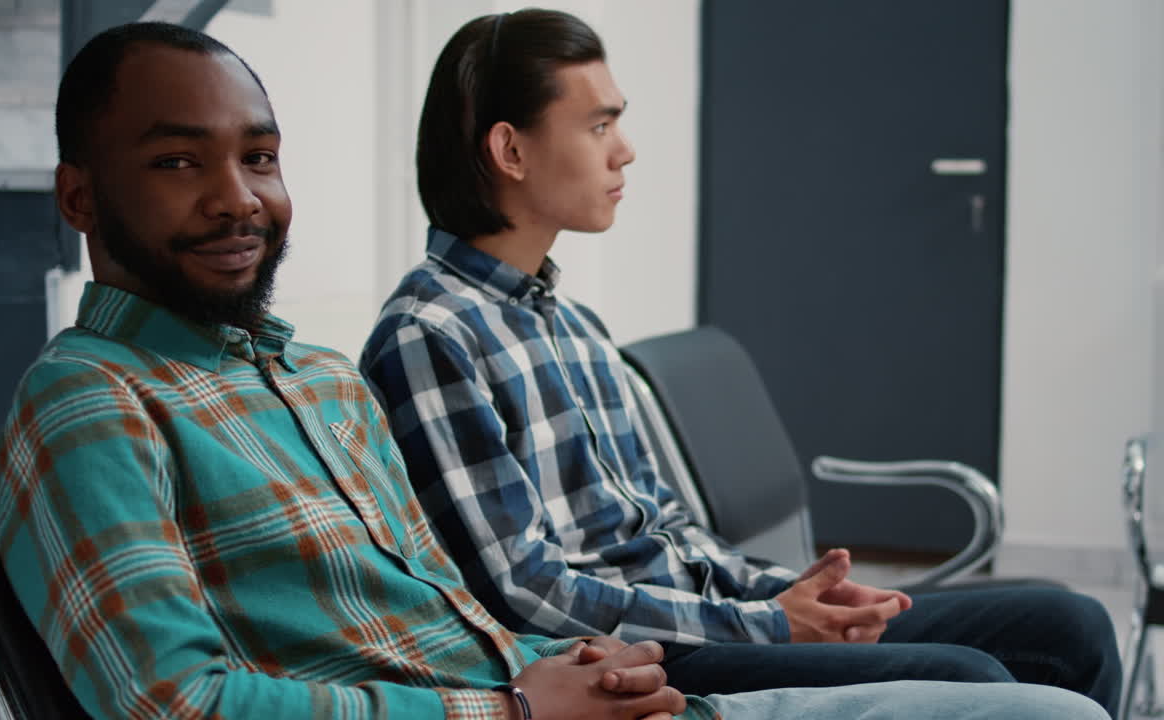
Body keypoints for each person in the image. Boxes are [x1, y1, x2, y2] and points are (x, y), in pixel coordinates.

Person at [0, 17, 1114, 720]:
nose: (236, 197)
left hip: (577, 680)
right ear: (80, 198)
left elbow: (464, 610)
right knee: (1000, 698)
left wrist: (653, 644)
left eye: (260, 159)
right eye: (179, 163)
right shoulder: (92, 401)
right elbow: (175, 702)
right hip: (535, 697)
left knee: (1048, 649)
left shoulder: (319, 378)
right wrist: (531, 700)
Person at [358, 8, 1123, 716]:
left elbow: (664, 526)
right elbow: (525, 592)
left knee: (1071, 623)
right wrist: (764, 624)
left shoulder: (569, 321)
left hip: (705, 615)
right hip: (646, 656)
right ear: (511, 149)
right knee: (971, 683)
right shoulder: (432, 335)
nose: (625, 150)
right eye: (598, 125)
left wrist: (793, 595)